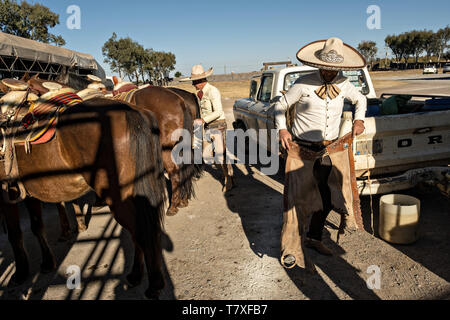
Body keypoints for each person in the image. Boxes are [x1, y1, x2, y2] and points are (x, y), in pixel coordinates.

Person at [274, 38, 367, 269]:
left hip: (328, 150)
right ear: (319, 65)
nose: (329, 72)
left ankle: (314, 238)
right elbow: (279, 106)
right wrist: (283, 129)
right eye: (326, 68)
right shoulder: (303, 83)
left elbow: (360, 99)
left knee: (327, 198)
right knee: (297, 200)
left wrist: (359, 119)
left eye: (334, 69)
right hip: (301, 150)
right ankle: (291, 248)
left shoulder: (345, 83)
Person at [181, 65, 235, 191]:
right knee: (207, 153)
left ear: (200, 81)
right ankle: (229, 174)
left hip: (218, 124)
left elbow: (218, 111)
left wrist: (203, 120)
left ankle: (229, 179)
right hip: (207, 126)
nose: (193, 84)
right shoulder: (199, 93)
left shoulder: (212, 91)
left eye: (194, 82)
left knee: (220, 154)